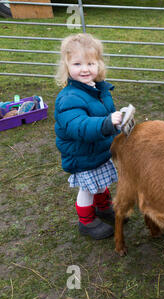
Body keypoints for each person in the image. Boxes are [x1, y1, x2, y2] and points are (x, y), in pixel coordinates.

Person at [54, 33, 122, 240]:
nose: (85, 69)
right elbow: (79, 127)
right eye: (77, 64)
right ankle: (86, 222)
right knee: (87, 189)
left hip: (99, 150)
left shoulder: (99, 89)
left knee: (100, 182)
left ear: (99, 64)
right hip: (82, 155)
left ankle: (103, 208)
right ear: (66, 66)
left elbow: (106, 112)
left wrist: (117, 125)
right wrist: (107, 123)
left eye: (90, 63)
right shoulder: (68, 98)